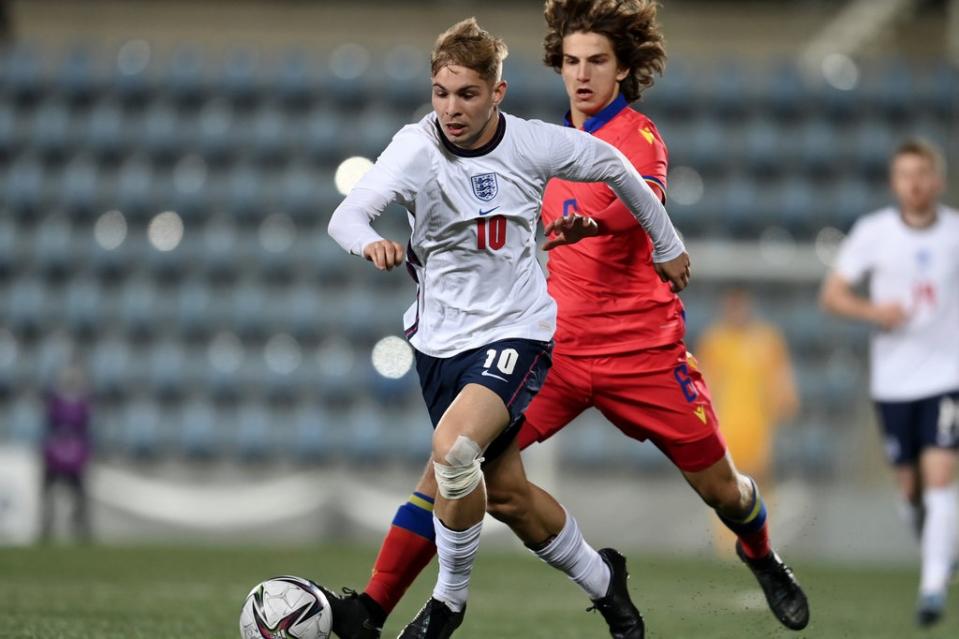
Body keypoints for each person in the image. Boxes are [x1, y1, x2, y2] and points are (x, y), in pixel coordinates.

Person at [324, 2, 808, 638]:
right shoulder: (528, 143)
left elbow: (639, 195)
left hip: (641, 350)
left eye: (597, 62)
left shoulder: (634, 136)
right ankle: (378, 607)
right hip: (555, 345)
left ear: (622, 69)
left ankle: (761, 554)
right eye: (572, 61)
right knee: (463, 470)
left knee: (722, 489)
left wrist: (603, 224)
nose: (582, 75)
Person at [820, 138, 959, 628]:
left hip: (947, 376)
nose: (915, 183)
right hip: (893, 381)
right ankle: (941, 553)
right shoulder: (874, 233)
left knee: (941, 476)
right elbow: (833, 295)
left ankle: (931, 588)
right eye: (905, 174)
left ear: (937, 180)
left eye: (923, 173)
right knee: (910, 492)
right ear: (895, 182)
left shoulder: (955, 234)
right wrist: (874, 310)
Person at [696, 287, 799, 554]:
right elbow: (703, 381)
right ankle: (727, 544)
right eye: (731, 306)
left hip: (759, 423)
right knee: (724, 484)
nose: (736, 312)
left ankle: (761, 539)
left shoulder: (767, 340)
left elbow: (781, 378)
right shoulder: (715, 340)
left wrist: (785, 401)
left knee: (760, 479)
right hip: (724, 422)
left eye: (740, 306)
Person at [39, 362, 94, 543]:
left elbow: (86, 428)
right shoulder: (55, 401)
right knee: (48, 490)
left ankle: (81, 527)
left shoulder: (82, 402)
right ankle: (47, 526)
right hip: (57, 451)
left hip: (75, 453)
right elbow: (49, 425)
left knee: (79, 493)